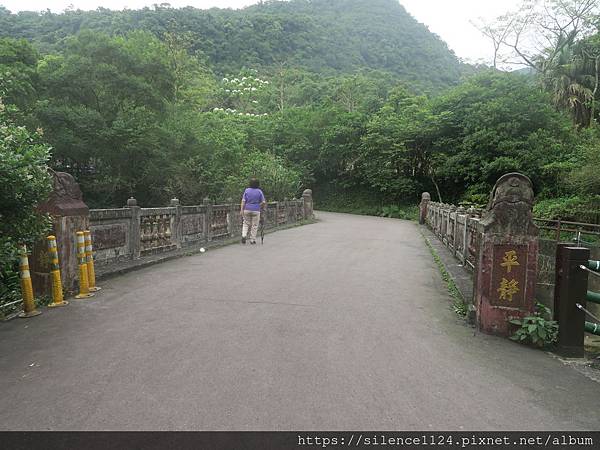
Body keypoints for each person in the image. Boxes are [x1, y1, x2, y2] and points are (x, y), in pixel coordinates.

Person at [240, 178, 266, 244]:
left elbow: (243, 201)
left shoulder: (247, 190)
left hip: (247, 209)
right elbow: (263, 202)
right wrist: (259, 206)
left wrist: (241, 210)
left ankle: (244, 235)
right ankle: (252, 240)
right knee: (254, 225)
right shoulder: (259, 191)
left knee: (245, 223)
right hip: (256, 210)